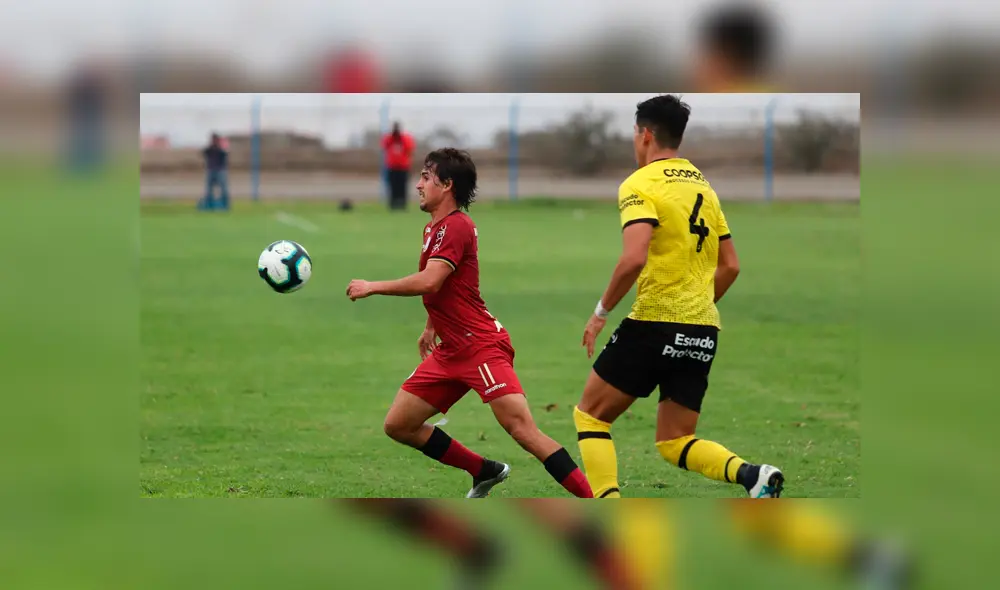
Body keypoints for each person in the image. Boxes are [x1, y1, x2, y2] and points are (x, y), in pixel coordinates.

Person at [346, 148, 593, 499]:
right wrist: (432, 325)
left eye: (426, 177)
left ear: (447, 185)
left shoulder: (457, 226)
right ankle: (483, 470)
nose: (418, 185)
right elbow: (447, 285)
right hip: (451, 349)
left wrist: (373, 286)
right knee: (399, 424)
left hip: (480, 346)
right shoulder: (434, 228)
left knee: (523, 430)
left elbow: (431, 280)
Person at [572, 94, 783, 499]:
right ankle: (753, 475)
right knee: (675, 441)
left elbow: (633, 258)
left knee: (591, 417)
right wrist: (695, 305)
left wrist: (600, 312)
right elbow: (731, 265)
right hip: (702, 330)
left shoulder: (639, 184)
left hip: (653, 324)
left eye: (634, 134)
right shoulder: (704, 186)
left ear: (646, 135)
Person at [381, 122, 416, 210]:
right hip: (392, 167)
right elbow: (384, 145)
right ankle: (393, 204)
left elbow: (410, 149)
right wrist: (392, 137)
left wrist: (400, 138)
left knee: (402, 186)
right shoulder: (389, 138)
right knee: (393, 186)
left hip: (403, 167)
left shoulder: (405, 139)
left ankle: (402, 204)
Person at [199, 133, 230, 210]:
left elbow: (224, 155)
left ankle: (225, 205)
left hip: (220, 170)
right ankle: (209, 204)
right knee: (209, 189)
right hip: (211, 170)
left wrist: (221, 146)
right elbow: (204, 153)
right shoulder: (210, 149)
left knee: (223, 188)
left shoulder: (221, 149)